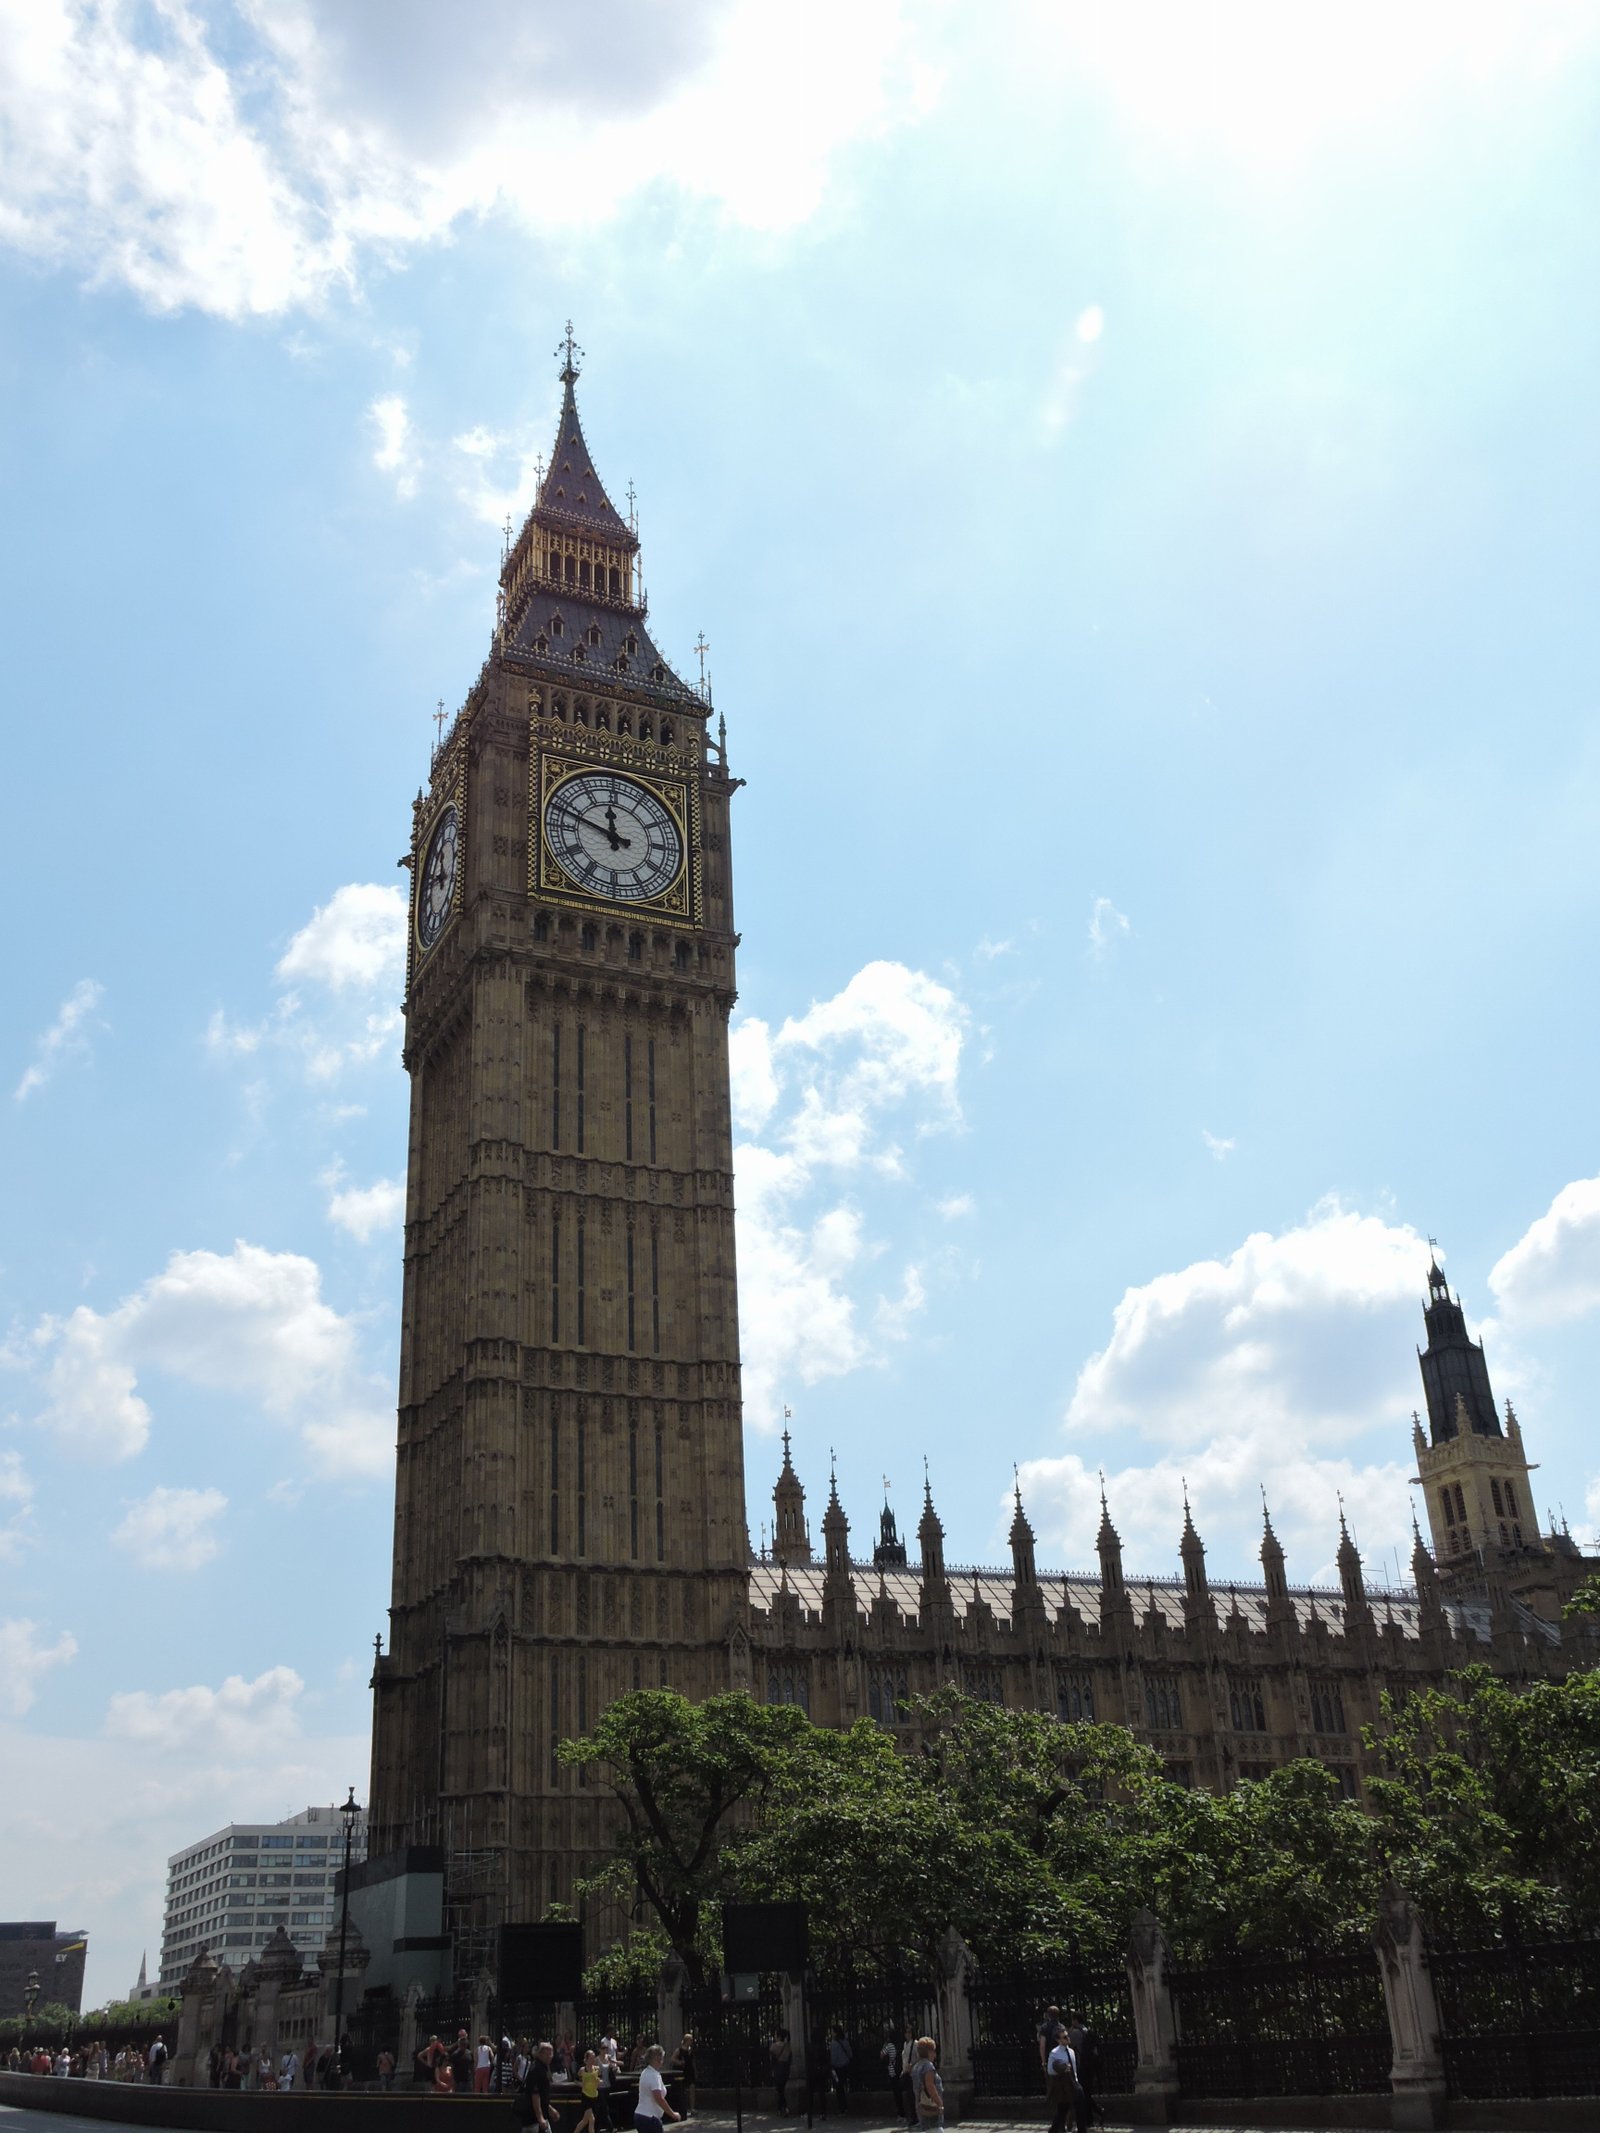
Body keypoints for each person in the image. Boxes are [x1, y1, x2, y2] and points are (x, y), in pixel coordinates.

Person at [635, 2044, 680, 2133]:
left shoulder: (645, 2072)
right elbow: (659, 2098)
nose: (662, 2062)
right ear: (657, 2059)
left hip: (640, 2115)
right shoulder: (654, 2076)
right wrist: (673, 2114)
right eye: (662, 2059)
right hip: (650, 2118)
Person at [518, 2040, 560, 2130]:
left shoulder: (542, 2068)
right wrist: (540, 2118)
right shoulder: (537, 2069)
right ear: (540, 2054)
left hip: (538, 2119)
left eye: (551, 2054)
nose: (550, 2057)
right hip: (533, 2120)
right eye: (547, 2054)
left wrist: (550, 2109)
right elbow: (535, 2095)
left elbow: (542, 2096)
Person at [1065, 2015, 1096, 2132]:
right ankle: (1090, 2118)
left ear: (1075, 2020)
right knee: (1087, 2092)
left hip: (1080, 2066)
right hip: (1090, 2066)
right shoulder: (1087, 2031)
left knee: (1080, 2095)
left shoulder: (1075, 2033)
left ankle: (1084, 2120)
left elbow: (1068, 2044)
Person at [1045, 2033, 1079, 2133]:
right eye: (1064, 2037)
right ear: (1059, 2040)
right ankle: (1056, 2129)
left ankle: (1060, 2128)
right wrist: (1062, 2068)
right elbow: (1050, 2070)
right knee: (1063, 2109)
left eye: (1067, 2036)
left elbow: (1074, 2068)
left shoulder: (1071, 2051)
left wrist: (1076, 2080)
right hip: (1062, 2085)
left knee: (1068, 2108)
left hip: (1072, 2083)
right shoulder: (1055, 2053)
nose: (1068, 2038)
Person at [909, 2037, 942, 2133]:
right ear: (929, 2052)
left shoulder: (916, 2067)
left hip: (921, 2106)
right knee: (936, 2129)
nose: (935, 2055)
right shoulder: (928, 2066)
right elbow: (930, 2086)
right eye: (933, 2051)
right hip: (931, 2106)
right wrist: (939, 2103)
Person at [572, 2048, 602, 2133]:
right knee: (592, 2119)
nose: (593, 2060)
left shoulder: (597, 2069)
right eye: (591, 2058)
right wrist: (581, 2084)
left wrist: (599, 2082)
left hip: (594, 2096)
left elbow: (601, 2080)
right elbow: (575, 2080)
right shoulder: (582, 2070)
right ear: (587, 2059)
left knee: (585, 2121)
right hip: (586, 2096)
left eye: (594, 2057)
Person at [668, 2034, 696, 2120]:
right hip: (682, 2071)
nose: (692, 2042)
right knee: (682, 2089)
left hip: (689, 2071)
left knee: (692, 2087)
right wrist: (680, 2062)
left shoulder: (690, 2050)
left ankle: (692, 2108)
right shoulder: (679, 2050)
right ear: (686, 2040)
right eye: (690, 2040)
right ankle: (683, 2108)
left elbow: (692, 2061)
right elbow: (672, 2059)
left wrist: (695, 2070)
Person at [769, 2029, 792, 2116]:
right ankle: (780, 2109)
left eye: (775, 2035)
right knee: (781, 2089)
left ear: (778, 2036)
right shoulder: (787, 2047)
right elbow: (790, 2059)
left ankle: (785, 2108)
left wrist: (772, 2070)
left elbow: (772, 2060)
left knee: (780, 2090)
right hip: (785, 2069)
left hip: (777, 2069)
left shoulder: (773, 2047)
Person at [1037, 2006, 1064, 2078]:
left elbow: (1042, 2045)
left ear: (1048, 2015)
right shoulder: (1062, 2027)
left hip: (1049, 2057)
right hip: (1062, 2058)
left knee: (1051, 2081)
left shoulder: (1044, 2027)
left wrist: (1043, 2062)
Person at [828, 2027, 852, 2109]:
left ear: (836, 2033)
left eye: (832, 2032)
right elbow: (850, 2054)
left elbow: (833, 2058)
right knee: (844, 2085)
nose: (831, 2033)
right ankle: (846, 2105)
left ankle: (842, 2107)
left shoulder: (833, 2043)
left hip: (837, 2069)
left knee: (839, 2087)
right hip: (845, 2067)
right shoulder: (845, 2042)